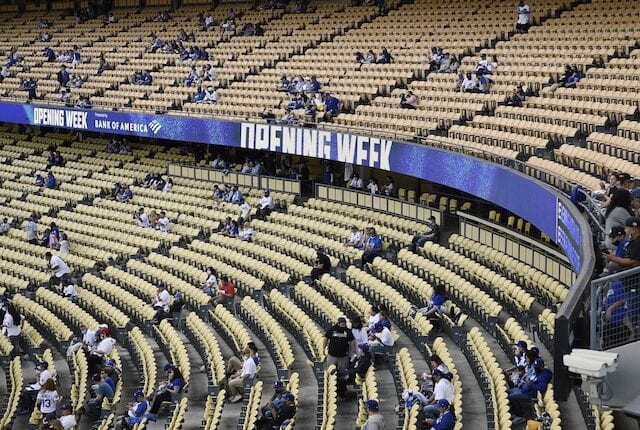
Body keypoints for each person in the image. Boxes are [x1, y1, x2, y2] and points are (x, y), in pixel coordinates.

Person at [508, 358, 552, 424]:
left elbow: (542, 388)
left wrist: (530, 385)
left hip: (530, 394)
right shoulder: (537, 372)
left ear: (541, 367)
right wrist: (524, 384)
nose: (535, 369)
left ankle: (519, 416)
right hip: (524, 389)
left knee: (511, 397)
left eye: (537, 367)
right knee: (508, 391)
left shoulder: (544, 376)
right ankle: (514, 412)